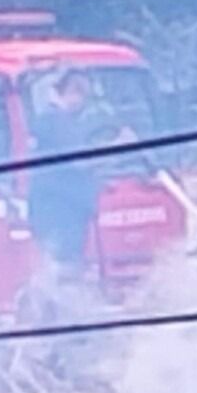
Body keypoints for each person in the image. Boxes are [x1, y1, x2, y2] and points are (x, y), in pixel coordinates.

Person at [27, 69, 133, 282]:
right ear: (61, 91)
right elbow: (82, 161)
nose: (81, 100)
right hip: (59, 216)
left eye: (84, 93)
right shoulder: (54, 120)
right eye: (78, 91)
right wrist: (119, 146)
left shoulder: (61, 122)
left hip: (66, 214)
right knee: (64, 274)